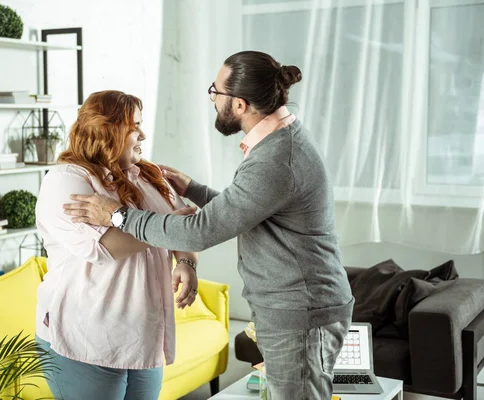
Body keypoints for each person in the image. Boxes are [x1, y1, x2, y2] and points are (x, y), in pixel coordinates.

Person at [63, 51, 354, 399]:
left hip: (300, 314)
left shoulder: (275, 159)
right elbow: (250, 210)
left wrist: (116, 215)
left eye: (216, 93)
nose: (213, 100)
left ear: (241, 105)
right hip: (300, 309)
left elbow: (199, 232)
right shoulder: (281, 141)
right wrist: (194, 190)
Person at [35, 90, 199, 400]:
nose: (143, 134)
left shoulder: (148, 175)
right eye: (134, 126)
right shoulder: (66, 180)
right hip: (86, 338)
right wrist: (171, 227)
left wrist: (186, 262)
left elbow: (186, 229)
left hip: (144, 334)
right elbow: (104, 247)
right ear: (107, 130)